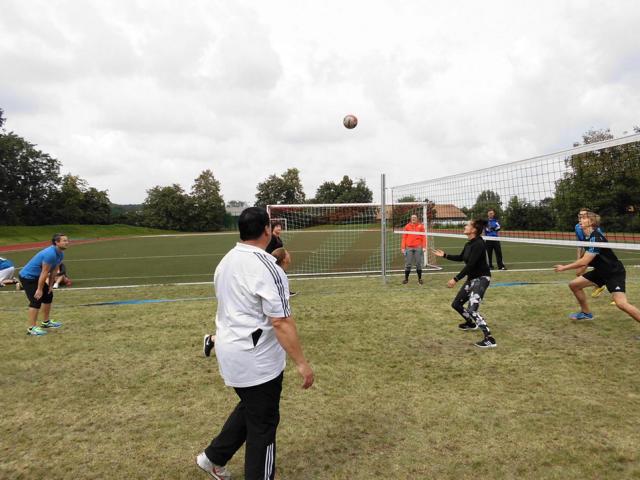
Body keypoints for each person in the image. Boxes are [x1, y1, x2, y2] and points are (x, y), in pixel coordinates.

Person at [196, 208, 314, 480]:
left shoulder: (226, 260)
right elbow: (280, 321)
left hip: (230, 351)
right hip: (256, 359)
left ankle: (213, 458)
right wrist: (301, 363)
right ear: (266, 230)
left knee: (252, 406)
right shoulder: (268, 267)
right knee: (263, 424)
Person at [554, 211, 640, 329]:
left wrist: (564, 267)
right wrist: (580, 269)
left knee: (621, 303)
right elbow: (584, 258)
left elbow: (584, 261)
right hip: (600, 271)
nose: (580, 219)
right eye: (580, 217)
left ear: (591, 222)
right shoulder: (586, 237)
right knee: (574, 285)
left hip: (613, 272)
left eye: (583, 218)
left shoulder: (596, 238)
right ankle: (586, 313)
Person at [203, 248, 292, 358]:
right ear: (284, 259)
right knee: (245, 338)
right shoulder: (271, 275)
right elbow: (278, 320)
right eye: (287, 254)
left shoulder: (277, 273)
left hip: (255, 321)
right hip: (250, 319)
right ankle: (212, 339)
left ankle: (212, 339)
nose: (290, 256)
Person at [433, 219, 497, 348]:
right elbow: (461, 257)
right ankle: (470, 324)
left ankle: (489, 339)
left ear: (474, 230)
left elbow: (470, 265)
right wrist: (445, 255)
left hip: (481, 278)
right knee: (456, 304)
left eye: (467, 225)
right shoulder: (468, 244)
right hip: (472, 279)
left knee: (472, 309)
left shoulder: (479, 244)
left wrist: (455, 279)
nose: (465, 226)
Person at [18, 233, 68, 336]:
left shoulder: (61, 254)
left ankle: (46, 322)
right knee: (36, 299)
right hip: (28, 277)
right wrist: (39, 289)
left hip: (37, 277)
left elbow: (54, 271)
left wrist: (50, 286)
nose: (67, 242)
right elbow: (44, 272)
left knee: (48, 295)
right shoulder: (50, 254)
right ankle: (31, 328)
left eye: (67, 240)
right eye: (64, 241)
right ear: (56, 242)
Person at [574, 208, 610, 303]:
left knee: (606, 273)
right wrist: (578, 257)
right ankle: (599, 284)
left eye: (584, 216)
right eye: (580, 215)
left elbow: (602, 242)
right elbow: (580, 243)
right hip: (587, 250)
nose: (581, 217)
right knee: (578, 272)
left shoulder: (595, 228)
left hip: (596, 252)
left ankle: (610, 289)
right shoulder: (577, 227)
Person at [266, 220, 296, 296]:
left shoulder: (277, 237)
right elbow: (269, 250)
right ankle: (283, 292)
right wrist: (272, 260)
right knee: (280, 276)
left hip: (279, 261)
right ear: (273, 228)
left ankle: (285, 291)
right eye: (277, 226)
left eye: (280, 226)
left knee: (282, 275)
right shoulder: (272, 238)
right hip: (274, 261)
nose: (279, 228)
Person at [401, 214, 426, 285]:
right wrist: (403, 247)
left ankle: (420, 279)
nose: (413, 219)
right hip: (409, 247)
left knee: (418, 263)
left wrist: (424, 246)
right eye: (412, 217)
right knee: (408, 263)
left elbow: (423, 237)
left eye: (415, 217)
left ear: (417, 219)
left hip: (418, 247)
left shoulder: (421, 226)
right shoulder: (407, 226)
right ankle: (406, 279)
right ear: (410, 219)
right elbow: (404, 237)